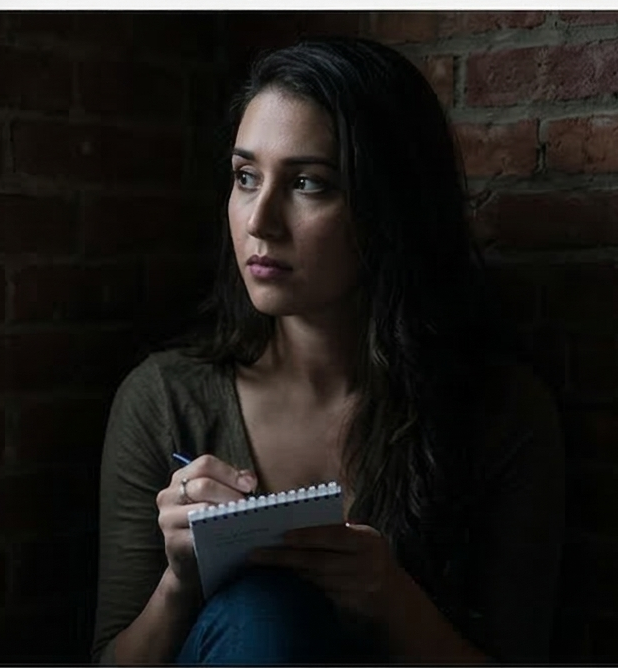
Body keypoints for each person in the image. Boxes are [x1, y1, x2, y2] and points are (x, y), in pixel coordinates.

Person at [91, 36, 564, 665]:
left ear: (390, 205)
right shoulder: (165, 399)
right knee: (263, 611)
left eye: (309, 183)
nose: (260, 220)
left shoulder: (497, 412)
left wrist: (392, 598)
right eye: (245, 177)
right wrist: (180, 585)